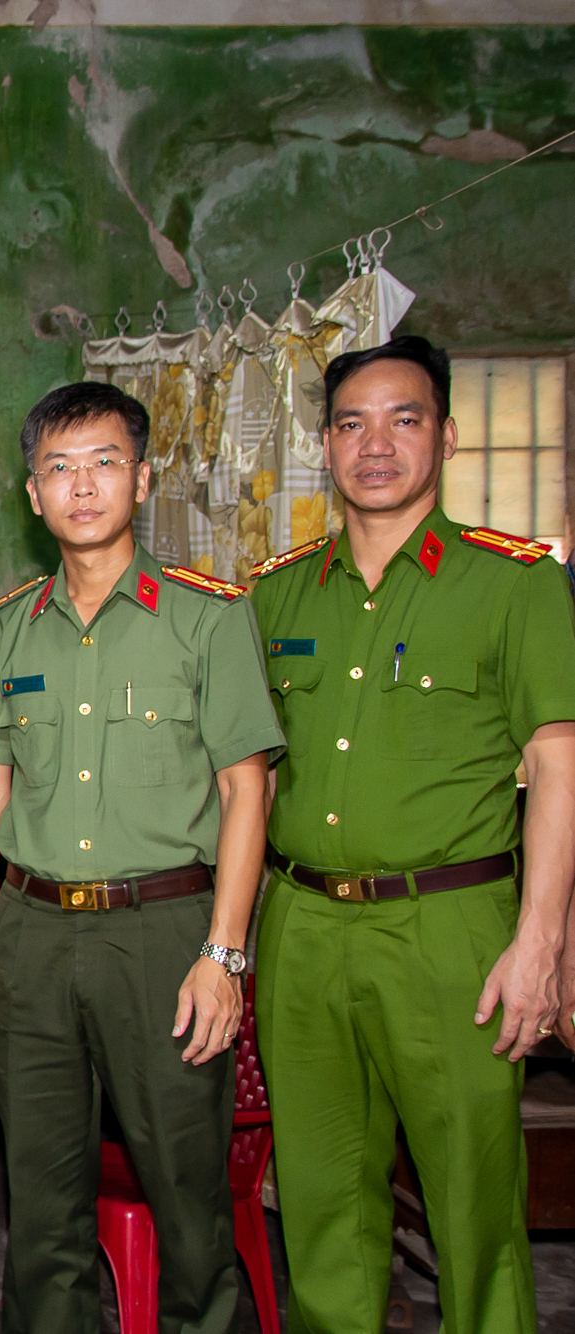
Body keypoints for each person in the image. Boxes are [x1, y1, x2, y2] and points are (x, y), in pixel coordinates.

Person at [249, 335, 575, 1334]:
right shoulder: (279, 590)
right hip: (303, 928)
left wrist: (540, 942)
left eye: (404, 418)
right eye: (352, 422)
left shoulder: (513, 582)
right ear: (326, 444)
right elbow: (251, 777)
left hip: (451, 930)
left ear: (448, 435)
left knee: (473, 1209)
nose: (376, 444)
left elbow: (561, 762)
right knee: (323, 1203)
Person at [0, 382, 283, 1334]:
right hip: (33, 936)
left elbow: (242, 790)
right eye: (58, 468)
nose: (80, 486)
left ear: (139, 477)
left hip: (165, 933)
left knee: (188, 1200)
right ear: (30, 493)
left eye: (101, 463)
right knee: (41, 1208)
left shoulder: (207, 617)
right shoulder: (7, 626)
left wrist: (224, 954)